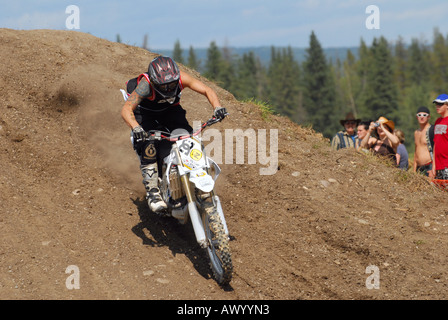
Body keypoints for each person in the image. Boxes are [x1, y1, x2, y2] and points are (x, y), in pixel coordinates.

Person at [121, 56, 227, 213]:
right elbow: (126, 109)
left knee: (188, 139)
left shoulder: (181, 78)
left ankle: (194, 173)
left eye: (172, 84)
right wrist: (136, 128)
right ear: (155, 82)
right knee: (149, 143)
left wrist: (217, 107)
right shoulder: (145, 86)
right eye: (164, 86)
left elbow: (207, 89)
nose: (169, 88)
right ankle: (153, 192)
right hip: (144, 112)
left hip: (170, 110)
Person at [413, 106, 434, 177]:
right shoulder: (416, 132)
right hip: (419, 168)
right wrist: (414, 170)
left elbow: (436, 150)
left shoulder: (432, 130)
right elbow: (416, 151)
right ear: (417, 117)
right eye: (419, 115)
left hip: (429, 166)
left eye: (424, 115)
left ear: (429, 117)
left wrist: (433, 169)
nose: (422, 117)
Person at [431, 94, 448, 180]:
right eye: (436, 104)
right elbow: (435, 144)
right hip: (438, 166)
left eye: (440, 104)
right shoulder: (437, 121)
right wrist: (434, 165)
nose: (437, 106)